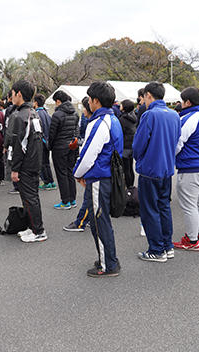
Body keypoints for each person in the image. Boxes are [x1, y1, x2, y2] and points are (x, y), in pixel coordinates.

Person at [73, 81, 123, 277]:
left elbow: (88, 154)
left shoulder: (98, 122)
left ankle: (107, 264)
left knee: (100, 222)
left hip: (99, 177)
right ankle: (108, 259)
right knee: (100, 221)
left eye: (90, 100)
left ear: (95, 101)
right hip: (108, 176)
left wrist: (78, 173)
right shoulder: (113, 119)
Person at [133, 82, 181, 262]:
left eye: (143, 97)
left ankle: (156, 249)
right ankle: (167, 246)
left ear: (148, 95)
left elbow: (138, 145)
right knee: (164, 207)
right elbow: (177, 140)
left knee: (150, 210)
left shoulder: (149, 115)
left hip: (150, 169)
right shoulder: (174, 115)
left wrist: (140, 159)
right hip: (167, 169)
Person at [173, 87, 199, 251]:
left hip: (190, 168)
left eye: (182, 101)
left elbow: (178, 142)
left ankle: (191, 240)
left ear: (188, 102)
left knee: (190, 205)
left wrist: (169, 158)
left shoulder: (189, 118)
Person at [6, 80, 46, 242]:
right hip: (34, 162)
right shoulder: (33, 113)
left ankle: (39, 231)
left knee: (30, 198)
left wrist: (14, 169)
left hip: (25, 165)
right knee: (30, 197)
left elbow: (18, 145)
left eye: (13, 93)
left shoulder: (20, 116)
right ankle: (33, 227)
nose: (11, 97)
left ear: (19, 94)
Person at [63, 97, 93, 232]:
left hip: (94, 169)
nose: (83, 110)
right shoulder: (108, 120)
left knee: (90, 196)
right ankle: (92, 218)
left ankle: (81, 222)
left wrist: (78, 172)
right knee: (94, 197)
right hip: (101, 169)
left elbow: (89, 152)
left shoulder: (94, 124)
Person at [49, 90, 79, 210]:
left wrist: (49, 146)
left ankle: (65, 201)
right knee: (69, 172)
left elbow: (52, 134)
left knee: (61, 174)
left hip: (59, 147)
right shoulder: (75, 113)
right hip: (72, 146)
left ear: (58, 101)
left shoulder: (57, 115)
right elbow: (77, 130)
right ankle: (72, 199)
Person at [34, 94, 56, 191]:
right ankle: (50, 181)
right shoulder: (46, 113)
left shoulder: (37, 114)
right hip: (47, 141)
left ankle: (47, 181)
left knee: (42, 163)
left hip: (41, 141)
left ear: (36, 102)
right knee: (46, 162)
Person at [118, 99, 137, 188]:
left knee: (126, 169)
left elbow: (120, 133)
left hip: (125, 146)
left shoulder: (122, 119)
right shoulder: (133, 117)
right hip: (131, 145)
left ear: (124, 107)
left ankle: (128, 188)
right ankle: (131, 187)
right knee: (130, 168)